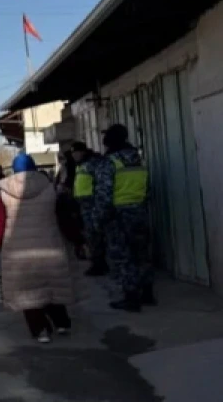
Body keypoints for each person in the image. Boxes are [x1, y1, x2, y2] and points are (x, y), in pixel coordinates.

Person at [0, 153, 75, 343]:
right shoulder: (50, 188)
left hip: (17, 251)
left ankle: (41, 331)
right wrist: (76, 239)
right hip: (49, 246)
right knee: (50, 286)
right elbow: (63, 217)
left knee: (28, 293)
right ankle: (62, 323)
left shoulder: (4, 192)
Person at [95, 124, 153, 312]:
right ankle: (147, 293)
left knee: (123, 257)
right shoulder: (138, 159)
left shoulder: (110, 162)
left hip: (118, 216)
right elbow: (147, 188)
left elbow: (104, 195)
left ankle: (131, 297)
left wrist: (100, 219)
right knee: (141, 254)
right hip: (139, 213)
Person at [72, 141, 110, 276]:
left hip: (93, 205)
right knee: (90, 235)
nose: (74, 155)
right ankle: (98, 262)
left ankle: (99, 264)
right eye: (73, 153)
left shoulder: (92, 163)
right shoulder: (81, 165)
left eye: (76, 152)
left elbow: (100, 183)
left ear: (82, 152)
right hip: (85, 206)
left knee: (95, 235)